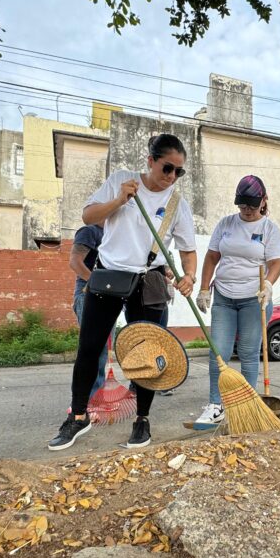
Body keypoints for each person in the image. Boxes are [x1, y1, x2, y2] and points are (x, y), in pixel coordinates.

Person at [48, 133, 197, 451]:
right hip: (108, 276)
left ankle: (142, 420)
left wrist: (191, 276)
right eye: (167, 168)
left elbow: (188, 250)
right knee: (89, 348)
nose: (171, 177)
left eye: (178, 172)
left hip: (151, 279)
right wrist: (119, 201)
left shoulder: (176, 203)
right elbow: (88, 216)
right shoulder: (121, 181)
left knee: (148, 354)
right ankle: (78, 417)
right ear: (151, 161)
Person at [192, 175, 280, 429]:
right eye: (242, 206)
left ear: (263, 201)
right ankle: (216, 406)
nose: (246, 211)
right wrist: (203, 289)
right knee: (218, 352)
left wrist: (268, 284)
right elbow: (212, 257)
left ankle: (246, 406)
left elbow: (276, 262)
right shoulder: (226, 224)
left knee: (247, 353)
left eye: (252, 207)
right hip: (223, 295)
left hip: (254, 299)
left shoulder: (269, 229)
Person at [68, 223, 106, 422]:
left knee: (102, 352)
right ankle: (85, 405)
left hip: (107, 296)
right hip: (87, 294)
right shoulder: (90, 231)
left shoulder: (113, 233)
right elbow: (75, 262)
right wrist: (95, 282)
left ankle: (95, 399)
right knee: (92, 351)